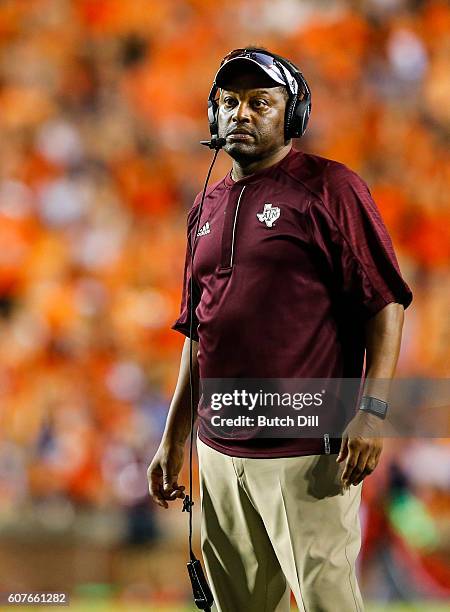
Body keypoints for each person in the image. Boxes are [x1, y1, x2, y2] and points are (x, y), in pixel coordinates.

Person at [148, 47, 412, 612]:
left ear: (292, 115)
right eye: (230, 102)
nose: (241, 113)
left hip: (306, 448)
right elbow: (198, 329)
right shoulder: (207, 203)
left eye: (260, 102)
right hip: (219, 448)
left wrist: (373, 410)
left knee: (329, 604)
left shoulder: (330, 188)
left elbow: (385, 303)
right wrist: (174, 436)